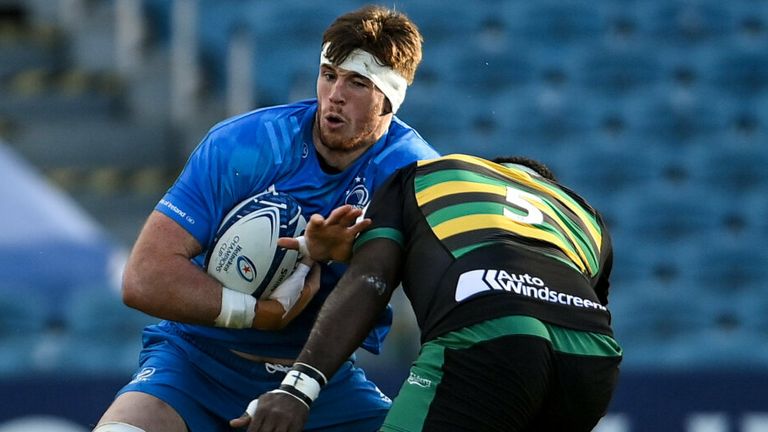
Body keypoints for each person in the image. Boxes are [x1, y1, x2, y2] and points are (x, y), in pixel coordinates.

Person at [93, 5, 439, 432]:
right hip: (197, 363)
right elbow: (144, 277)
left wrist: (339, 256)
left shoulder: (413, 174)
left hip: (319, 382)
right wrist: (258, 313)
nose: (334, 95)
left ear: (390, 99)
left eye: (357, 83)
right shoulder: (245, 144)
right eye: (328, 74)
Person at [242, 154, 623, 432]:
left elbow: (371, 279)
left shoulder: (424, 175)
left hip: (492, 335)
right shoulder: (586, 216)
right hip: (590, 362)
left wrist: (297, 389)